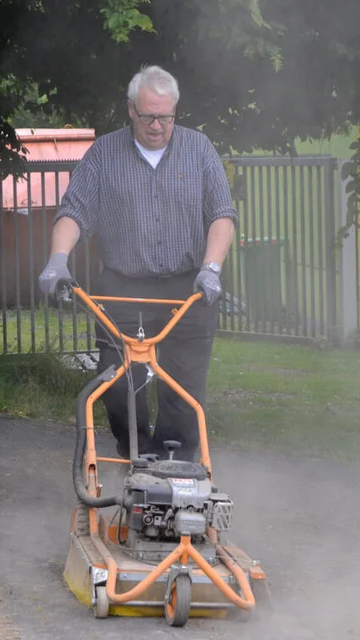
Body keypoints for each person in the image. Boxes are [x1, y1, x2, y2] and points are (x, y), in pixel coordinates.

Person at [38, 65, 238, 463]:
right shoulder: (103, 155)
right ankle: (135, 456)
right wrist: (57, 261)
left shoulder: (199, 150)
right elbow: (73, 213)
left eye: (166, 116)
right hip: (122, 289)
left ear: (175, 111)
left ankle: (174, 464)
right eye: (148, 116)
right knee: (117, 384)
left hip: (188, 288)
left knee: (183, 386)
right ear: (130, 109)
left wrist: (211, 269)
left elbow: (222, 215)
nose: (157, 125)